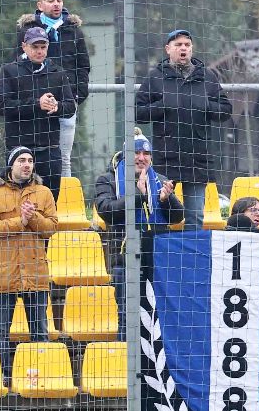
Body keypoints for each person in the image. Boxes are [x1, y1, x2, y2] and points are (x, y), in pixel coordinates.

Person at [135, 29, 233, 230]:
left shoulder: (207, 77)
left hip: (197, 159)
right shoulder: (155, 77)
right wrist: (163, 105)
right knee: (159, 212)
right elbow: (138, 112)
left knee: (195, 216)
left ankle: (192, 251)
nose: (183, 48)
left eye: (187, 45)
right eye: (178, 45)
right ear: (168, 49)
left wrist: (206, 105)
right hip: (165, 159)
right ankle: (159, 249)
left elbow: (225, 110)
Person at [0, 147, 59, 386]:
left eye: (30, 161)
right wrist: (21, 221)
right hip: (5, 274)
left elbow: (51, 228)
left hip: (36, 274)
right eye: (21, 160)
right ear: (11, 165)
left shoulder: (44, 192)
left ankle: (40, 380)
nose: (27, 164)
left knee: (40, 333)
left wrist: (32, 217)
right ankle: (2, 378)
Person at [92, 129, 184, 289]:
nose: (141, 158)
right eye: (136, 152)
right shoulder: (107, 180)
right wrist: (138, 195)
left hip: (159, 256)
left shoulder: (160, 180)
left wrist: (166, 199)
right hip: (124, 257)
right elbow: (107, 212)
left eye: (146, 153)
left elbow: (177, 218)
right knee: (127, 304)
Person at [0, 26, 76, 201]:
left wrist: (57, 106)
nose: (39, 51)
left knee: (49, 204)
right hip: (19, 150)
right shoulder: (9, 71)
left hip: (50, 150)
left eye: (43, 47)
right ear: (24, 46)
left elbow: (71, 107)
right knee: (18, 203)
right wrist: (36, 103)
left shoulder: (58, 73)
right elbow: (2, 106)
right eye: (35, 47)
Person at [16, 0, 90, 179]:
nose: (56, 4)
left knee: (63, 157)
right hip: (35, 104)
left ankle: (63, 194)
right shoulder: (26, 31)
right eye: (51, 1)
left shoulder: (74, 31)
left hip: (66, 102)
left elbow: (83, 66)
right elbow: (18, 65)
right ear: (40, 5)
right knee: (29, 156)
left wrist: (76, 96)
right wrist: (31, 99)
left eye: (59, 0)